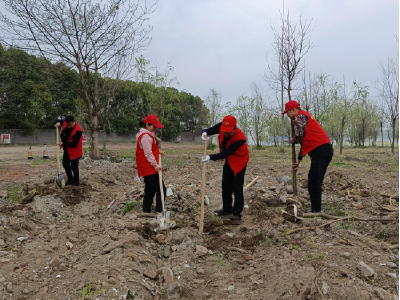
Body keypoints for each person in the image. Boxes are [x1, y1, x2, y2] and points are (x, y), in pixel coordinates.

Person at [282, 100, 334, 213]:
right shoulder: (305, 117)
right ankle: (316, 208)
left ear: (293, 110)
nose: (287, 115)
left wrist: (293, 140)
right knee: (313, 180)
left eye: (288, 113)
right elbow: (305, 142)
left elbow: (299, 136)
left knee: (314, 181)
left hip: (322, 150)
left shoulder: (300, 117)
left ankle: (316, 210)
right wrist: (299, 159)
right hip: (321, 150)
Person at [201, 115, 249, 220]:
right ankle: (227, 208)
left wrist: (209, 157)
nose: (226, 133)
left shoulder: (240, 139)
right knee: (226, 184)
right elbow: (210, 130)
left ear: (234, 128)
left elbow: (225, 154)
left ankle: (236, 214)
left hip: (240, 161)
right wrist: (204, 132)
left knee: (237, 187)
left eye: (229, 131)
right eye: (224, 131)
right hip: (230, 159)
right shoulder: (223, 126)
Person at [136, 115, 166, 213]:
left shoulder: (149, 135)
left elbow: (151, 149)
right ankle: (159, 211)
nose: (155, 128)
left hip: (148, 167)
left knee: (150, 189)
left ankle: (146, 209)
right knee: (161, 188)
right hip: (148, 167)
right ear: (147, 125)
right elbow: (148, 153)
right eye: (154, 126)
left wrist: (158, 151)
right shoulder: (145, 137)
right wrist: (156, 166)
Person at [55, 116, 83, 186]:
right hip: (67, 149)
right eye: (67, 125)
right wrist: (57, 123)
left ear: (74, 122)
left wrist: (63, 143)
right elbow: (58, 121)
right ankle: (70, 179)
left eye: (70, 125)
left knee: (74, 167)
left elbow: (74, 143)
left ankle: (76, 183)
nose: (68, 127)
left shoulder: (78, 131)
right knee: (65, 164)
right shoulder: (65, 123)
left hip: (75, 150)